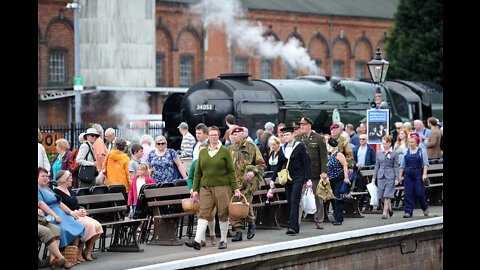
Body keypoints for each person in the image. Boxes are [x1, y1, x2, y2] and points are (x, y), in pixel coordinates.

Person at [185, 126, 240, 250]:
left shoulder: (225, 151)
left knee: (222, 213)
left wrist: (235, 188)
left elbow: (231, 171)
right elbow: (198, 172)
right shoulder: (203, 152)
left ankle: (224, 240)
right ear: (208, 136)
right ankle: (197, 241)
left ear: (218, 136)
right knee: (203, 213)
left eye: (215, 135)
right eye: (211, 135)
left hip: (222, 187)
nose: (213, 137)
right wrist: (194, 190)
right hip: (206, 187)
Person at [54, 170, 104, 262]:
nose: (72, 180)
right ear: (64, 179)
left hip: (77, 214)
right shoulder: (56, 192)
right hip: (68, 217)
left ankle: (87, 251)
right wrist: (75, 212)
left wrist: (81, 210)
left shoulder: (69, 190)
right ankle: (79, 251)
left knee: (98, 225)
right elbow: (58, 208)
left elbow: (75, 205)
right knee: (89, 225)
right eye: (70, 178)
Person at [271, 126, 312, 235]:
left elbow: (306, 163)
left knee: (295, 201)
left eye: (287, 135)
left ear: (293, 135)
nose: (285, 137)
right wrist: (272, 179)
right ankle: (292, 225)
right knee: (289, 201)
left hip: (298, 177)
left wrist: (308, 179)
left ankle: (293, 227)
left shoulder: (300, 147)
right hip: (288, 178)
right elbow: (279, 165)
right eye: (284, 135)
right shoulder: (283, 148)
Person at [229, 126, 265, 241]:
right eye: (233, 135)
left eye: (237, 134)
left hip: (247, 182)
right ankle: (238, 231)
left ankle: (251, 223)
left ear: (243, 135)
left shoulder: (251, 147)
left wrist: (253, 172)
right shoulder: (230, 149)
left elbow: (261, 164)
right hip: (234, 183)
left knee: (245, 204)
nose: (235, 137)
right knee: (234, 206)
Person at [38, 167, 85, 249]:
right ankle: (62, 252)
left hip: (61, 213)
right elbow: (41, 204)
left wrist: (71, 212)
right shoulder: (38, 190)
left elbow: (59, 203)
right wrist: (55, 216)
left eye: (47, 176)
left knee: (77, 225)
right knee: (62, 229)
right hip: (50, 215)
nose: (46, 178)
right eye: (43, 176)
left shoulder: (49, 189)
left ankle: (73, 253)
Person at [297, 117, 328, 229]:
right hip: (302, 173)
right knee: (299, 198)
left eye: (304, 125)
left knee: (317, 197)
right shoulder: (298, 139)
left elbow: (324, 157)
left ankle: (319, 219)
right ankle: (297, 222)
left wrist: (324, 171)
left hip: (315, 173)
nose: (302, 127)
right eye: (300, 125)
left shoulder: (319, 138)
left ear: (309, 125)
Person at [187, 142, 217, 246]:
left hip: (211, 191)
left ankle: (212, 234)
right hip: (198, 193)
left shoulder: (213, 162)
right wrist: (191, 188)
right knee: (200, 215)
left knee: (210, 215)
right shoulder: (195, 163)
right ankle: (201, 240)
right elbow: (190, 177)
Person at [399, 134, 430, 218]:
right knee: (408, 192)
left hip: (417, 172)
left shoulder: (421, 151)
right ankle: (408, 211)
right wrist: (400, 176)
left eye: (413, 142)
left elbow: (425, 163)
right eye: (409, 142)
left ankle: (424, 207)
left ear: (417, 143)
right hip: (408, 173)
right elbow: (402, 165)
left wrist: (424, 174)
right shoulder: (406, 151)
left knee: (419, 192)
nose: (411, 144)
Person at [372, 135, 400, 219]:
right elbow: (377, 165)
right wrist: (374, 177)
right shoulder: (379, 153)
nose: (384, 145)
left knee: (387, 194)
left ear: (390, 143)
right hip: (381, 176)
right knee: (382, 195)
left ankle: (384, 213)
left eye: (386, 143)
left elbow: (396, 166)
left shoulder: (394, 153)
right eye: (383, 143)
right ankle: (389, 208)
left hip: (390, 176)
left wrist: (397, 178)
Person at [325, 137, 350, 225]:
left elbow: (345, 165)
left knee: (338, 198)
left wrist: (346, 177)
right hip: (331, 179)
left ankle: (339, 218)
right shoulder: (330, 155)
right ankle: (337, 216)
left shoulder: (339, 155)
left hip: (339, 178)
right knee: (332, 198)